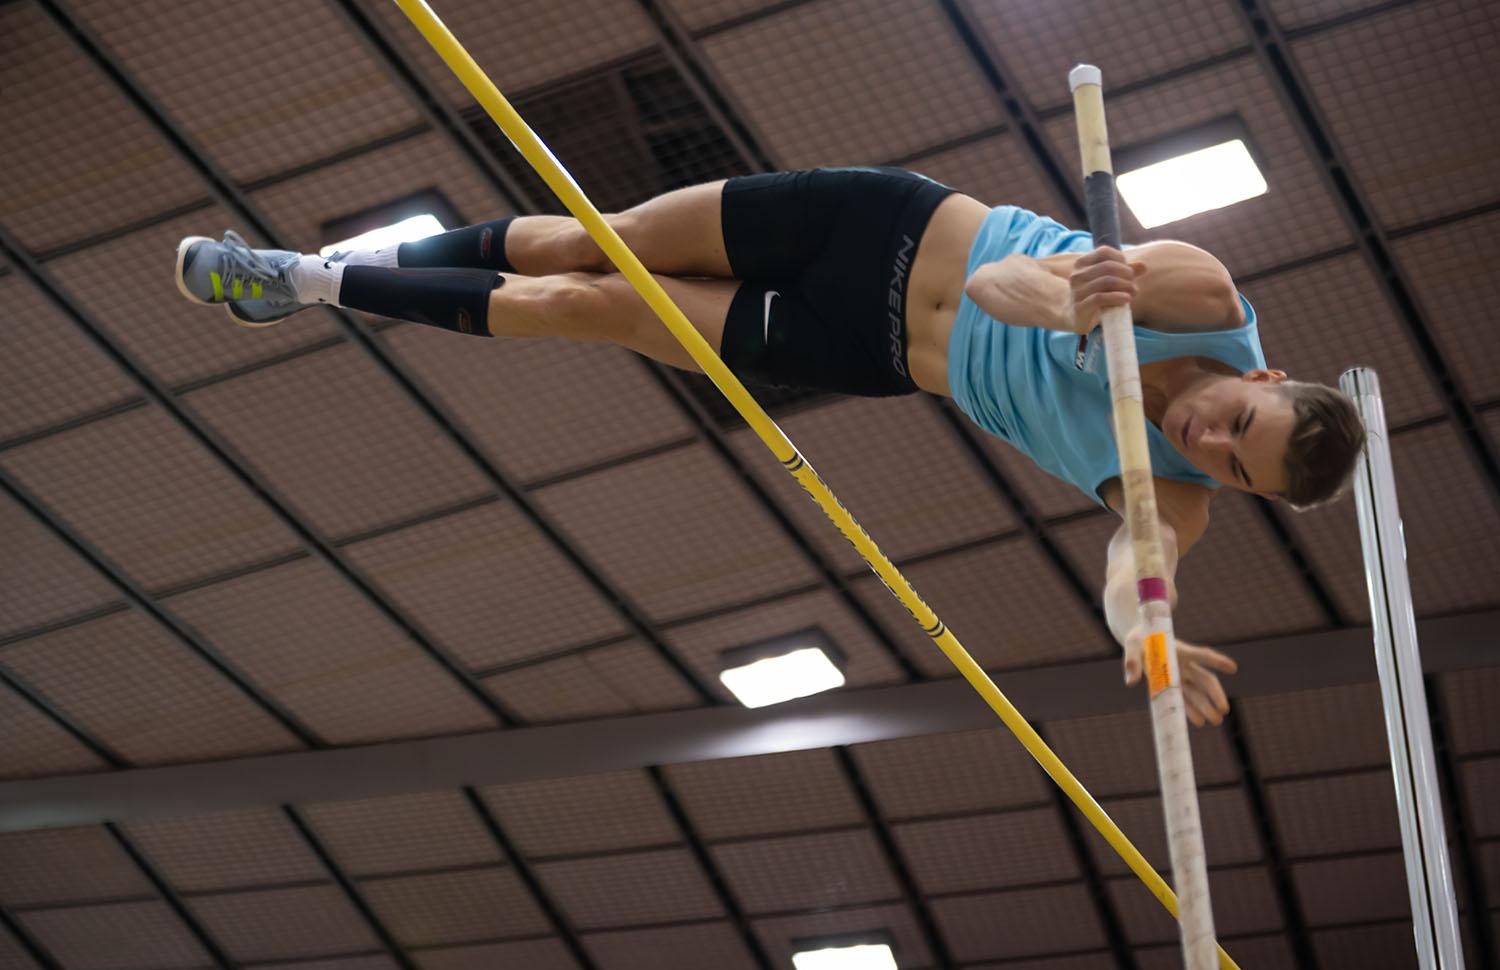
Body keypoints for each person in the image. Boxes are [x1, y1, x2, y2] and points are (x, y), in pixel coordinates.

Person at [173, 166, 1366, 727]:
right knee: (587, 243)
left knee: (587, 308)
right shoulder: (1202, 292)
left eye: (1233, 465)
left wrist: (1144, 630)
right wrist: (1075, 303)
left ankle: (304, 285)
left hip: (863, 346)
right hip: (886, 226)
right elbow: (998, 285)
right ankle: (322, 265)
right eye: (1238, 421)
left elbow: (1133, 564)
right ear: (1262, 377)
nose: (1205, 438)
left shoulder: (1173, 491)